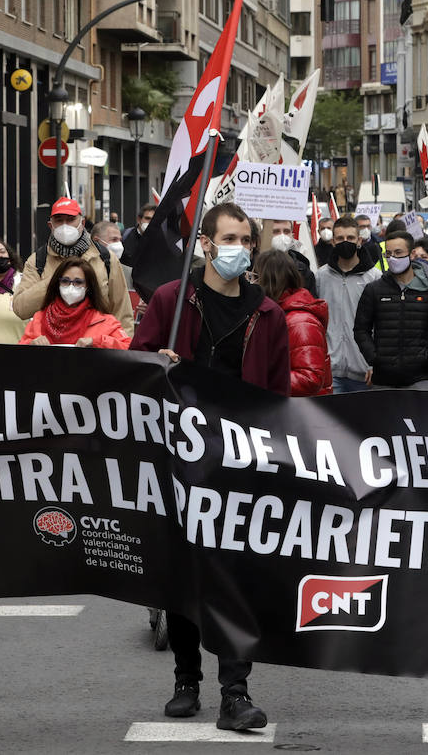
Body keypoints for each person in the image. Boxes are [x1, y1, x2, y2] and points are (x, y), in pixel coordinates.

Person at [130, 202, 287, 732]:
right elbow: (134, 368)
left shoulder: (268, 314)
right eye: (230, 238)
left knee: (234, 579)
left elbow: (281, 395)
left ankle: (235, 692)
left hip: (240, 464)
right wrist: (158, 367)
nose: (240, 249)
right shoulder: (173, 302)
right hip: (180, 460)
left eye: (247, 240)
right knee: (183, 576)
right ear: (205, 244)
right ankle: (185, 680)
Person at [13, 198, 134, 335]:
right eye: (59, 220)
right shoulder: (37, 261)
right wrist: (57, 277)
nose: (65, 226)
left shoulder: (105, 258)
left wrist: (122, 350)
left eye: (70, 219)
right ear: (50, 225)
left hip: (95, 346)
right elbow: (21, 309)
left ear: (82, 223)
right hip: (53, 345)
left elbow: (122, 311)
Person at [353, 230, 428, 391]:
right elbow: (360, 329)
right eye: (389, 254)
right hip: (383, 379)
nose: (393, 258)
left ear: (412, 254)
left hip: (422, 378)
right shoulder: (374, 289)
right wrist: (375, 358)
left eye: (398, 253)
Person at [315, 216, 381, 394]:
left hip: (364, 372)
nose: (346, 242)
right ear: (333, 241)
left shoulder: (374, 278)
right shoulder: (321, 277)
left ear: (359, 240)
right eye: (340, 238)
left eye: (350, 238)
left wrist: (375, 362)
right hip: (330, 371)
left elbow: (382, 324)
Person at [254, 250, 331, 396]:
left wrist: (262, 378)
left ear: (269, 280)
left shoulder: (300, 322)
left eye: (255, 277)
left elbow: (311, 378)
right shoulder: (277, 313)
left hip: (302, 413)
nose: (251, 283)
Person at [19, 257, 130, 348]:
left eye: (78, 282)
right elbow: (19, 352)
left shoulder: (106, 322)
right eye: (65, 281)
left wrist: (97, 342)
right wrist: (31, 345)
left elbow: (128, 348)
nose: (71, 286)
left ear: (88, 287)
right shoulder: (39, 318)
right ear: (57, 284)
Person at [266, 219, 317, 295]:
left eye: (286, 231)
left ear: (292, 236)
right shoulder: (256, 267)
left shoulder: (303, 271)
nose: (282, 236)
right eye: (276, 231)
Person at [120, 203, 156, 267]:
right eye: (147, 218)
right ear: (139, 220)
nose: (151, 223)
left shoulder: (161, 240)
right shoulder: (124, 236)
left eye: (154, 220)